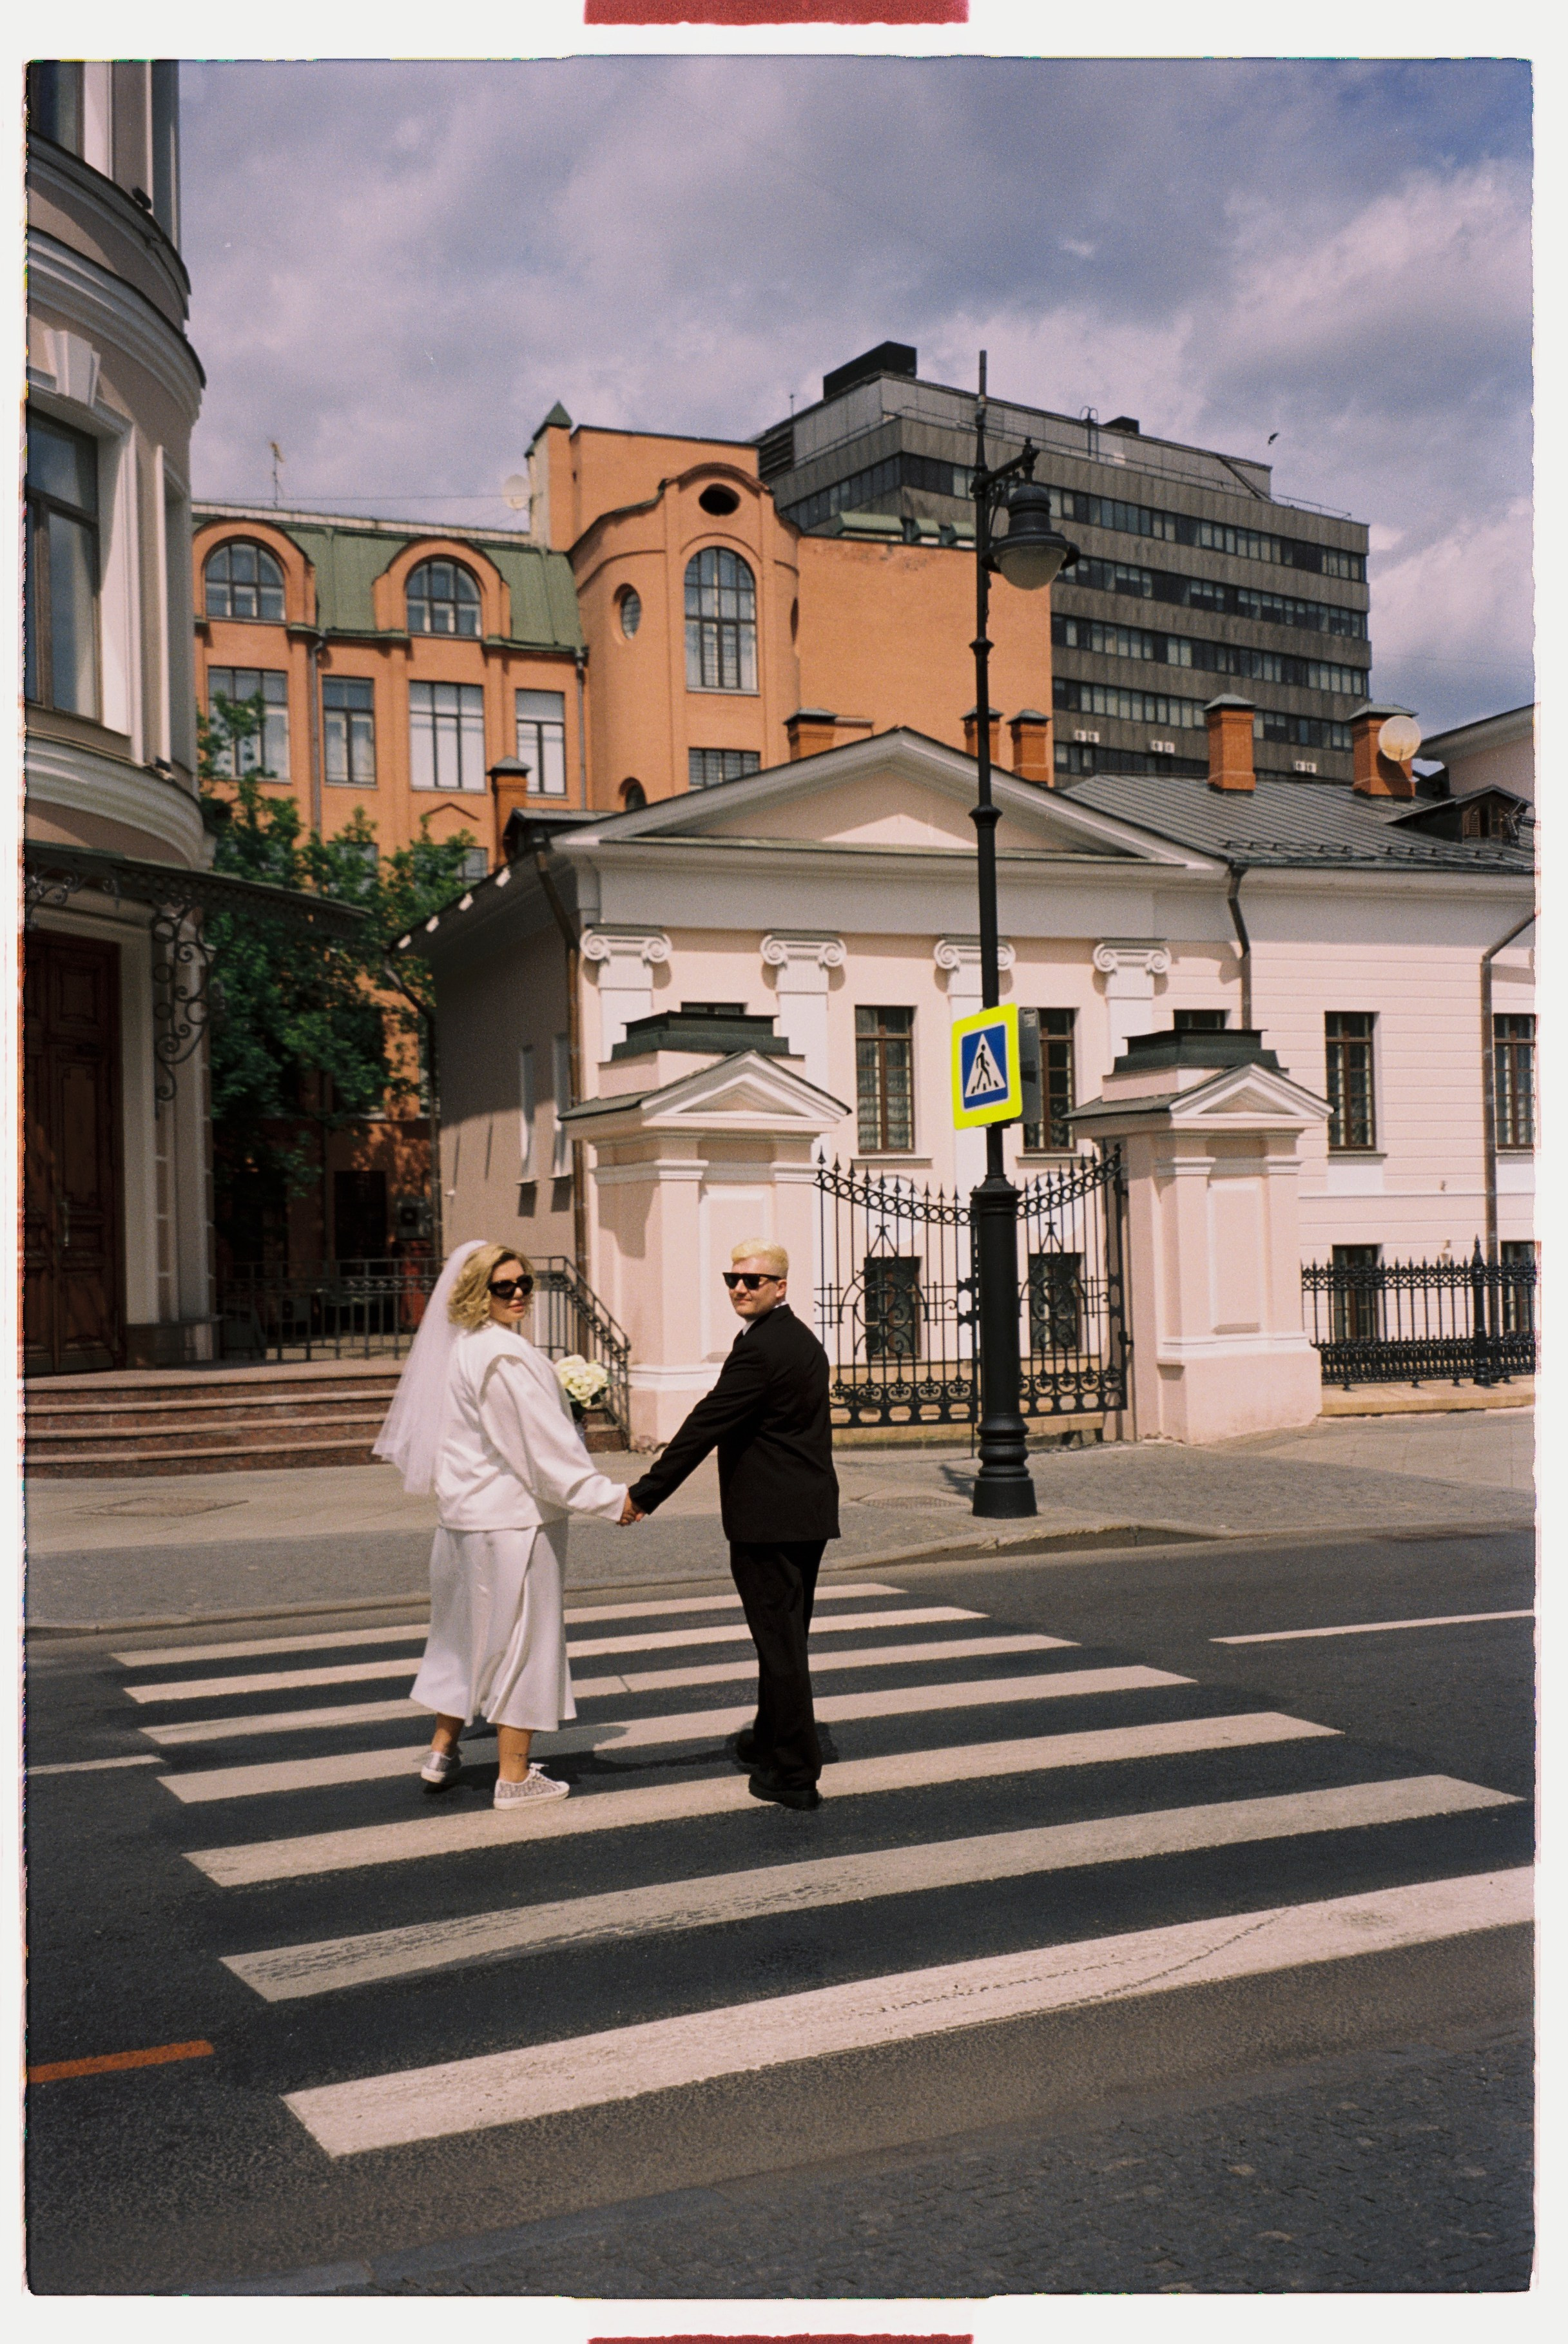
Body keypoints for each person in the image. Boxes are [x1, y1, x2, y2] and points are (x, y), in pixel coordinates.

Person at [374, 1239, 628, 1809]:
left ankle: (442, 1749)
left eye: (523, 1284)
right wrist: (612, 1499)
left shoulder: (459, 1349)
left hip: (465, 1517)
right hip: (514, 1520)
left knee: (463, 1635)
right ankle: (515, 1776)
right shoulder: (503, 1357)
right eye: (502, 1286)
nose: (517, 1294)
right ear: (475, 1293)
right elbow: (540, 1452)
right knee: (523, 1640)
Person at [624, 1238, 838, 1811]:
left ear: (780, 1286)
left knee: (780, 1644)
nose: (740, 1288)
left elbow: (705, 1423)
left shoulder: (762, 1348)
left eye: (754, 1280)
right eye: (732, 1278)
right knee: (785, 1636)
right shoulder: (798, 1339)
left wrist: (646, 1493)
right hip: (804, 1513)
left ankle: (794, 1774)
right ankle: (771, 1739)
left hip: (769, 1519)